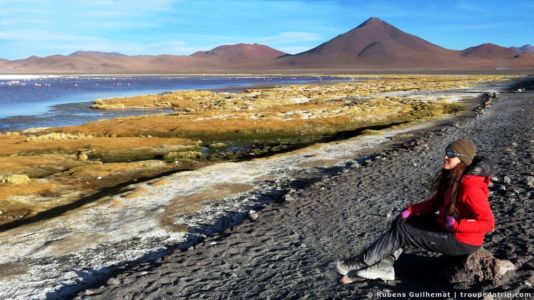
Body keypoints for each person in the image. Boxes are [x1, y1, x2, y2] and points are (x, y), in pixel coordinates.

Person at [335, 139, 495, 283]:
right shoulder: (453, 178)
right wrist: (410, 211)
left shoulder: (470, 187)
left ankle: (363, 262)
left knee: (402, 232)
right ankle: (384, 265)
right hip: (447, 227)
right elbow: (435, 203)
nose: (446, 156)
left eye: (451, 154)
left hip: (463, 240)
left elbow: (488, 223)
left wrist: (458, 225)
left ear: (462, 160)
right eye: (446, 152)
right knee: (403, 222)